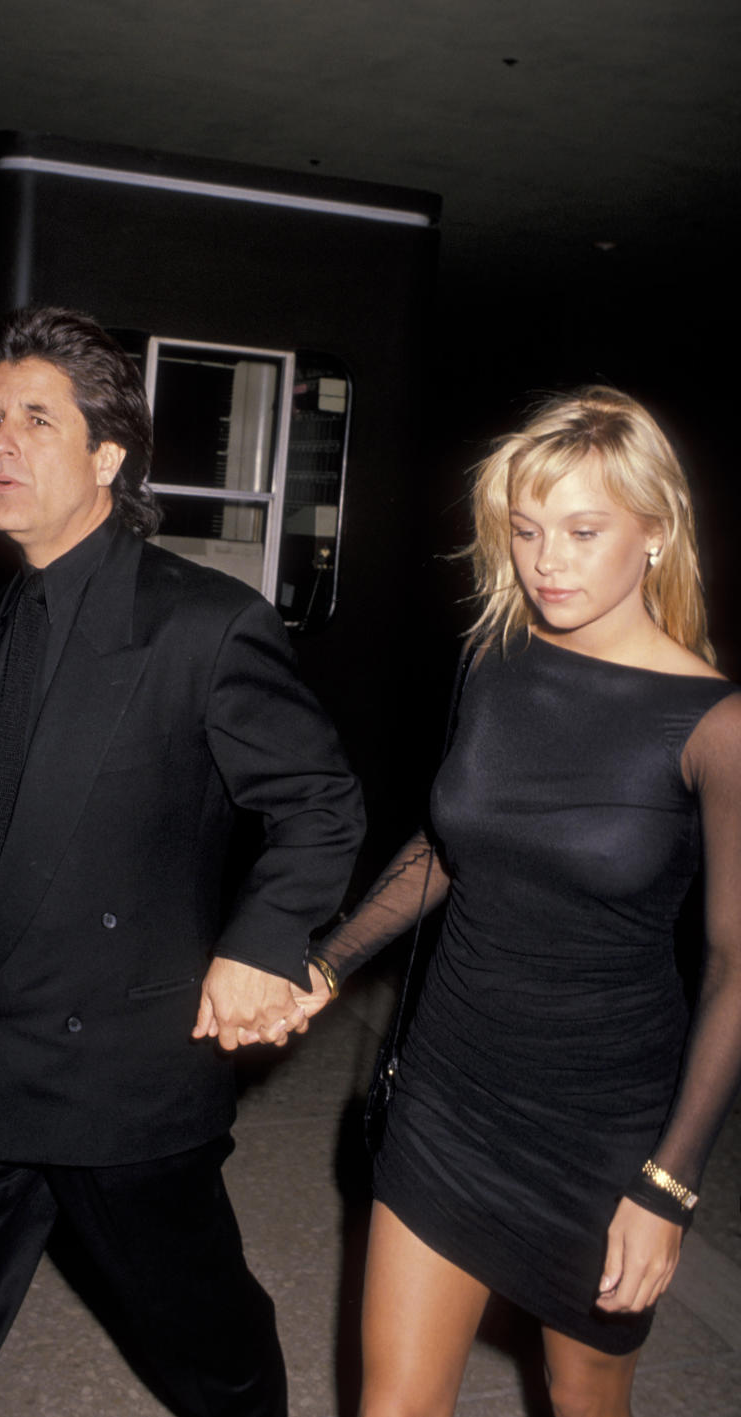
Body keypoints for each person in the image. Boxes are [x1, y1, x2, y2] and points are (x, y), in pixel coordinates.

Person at [0, 306, 364, 1416]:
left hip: (119, 1069)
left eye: (36, 417)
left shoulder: (203, 626)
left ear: (108, 456)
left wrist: (264, 943)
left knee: (205, 1346)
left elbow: (319, 802)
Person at [293, 387, 741, 1417]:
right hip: (449, 1092)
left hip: (600, 1129)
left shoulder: (714, 724)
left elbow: (734, 967)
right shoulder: (494, 661)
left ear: (657, 533)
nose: (548, 561)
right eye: (528, 530)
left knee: (584, 1399)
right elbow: (451, 847)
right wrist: (327, 961)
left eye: (585, 531)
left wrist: (666, 1187)